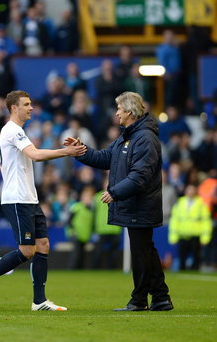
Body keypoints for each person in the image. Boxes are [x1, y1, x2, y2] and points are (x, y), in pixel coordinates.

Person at [0, 90, 86, 311]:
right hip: (16, 198)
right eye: (26, 104)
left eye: (31, 103)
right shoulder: (12, 131)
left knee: (43, 245)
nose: (31, 107)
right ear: (14, 108)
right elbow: (35, 155)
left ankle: (39, 301)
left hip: (29, 197)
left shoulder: (18, 132)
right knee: (27, 250)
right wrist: (66, 152)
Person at [64, 91, 173, 312]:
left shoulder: (144, 138)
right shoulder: (129, 136)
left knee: (142, 253)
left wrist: (115, 192)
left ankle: (140, 300)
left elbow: (140, 176)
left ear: (130, 112)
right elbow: (105, 158)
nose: (116, 113)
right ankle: (160, 297)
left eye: (120, 109)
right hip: (135, 204)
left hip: (141, 205)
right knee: (146, 251)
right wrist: (81, 150)